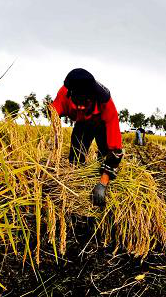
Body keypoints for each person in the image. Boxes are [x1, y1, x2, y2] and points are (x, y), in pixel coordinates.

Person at [50, 68, 123, 207]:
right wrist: (54, 138)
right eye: (78, 102)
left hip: (101, 123)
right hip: (82, 124)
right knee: (76, 157)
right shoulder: (64, 94)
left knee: (105, 154)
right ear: (70, 95)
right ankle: (75, 177)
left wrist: (102, 184)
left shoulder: (106, 102)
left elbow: (115, 150)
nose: (82, 107)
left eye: (85, 102)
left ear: (93, 97)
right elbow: (53, 113)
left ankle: (103, 181)